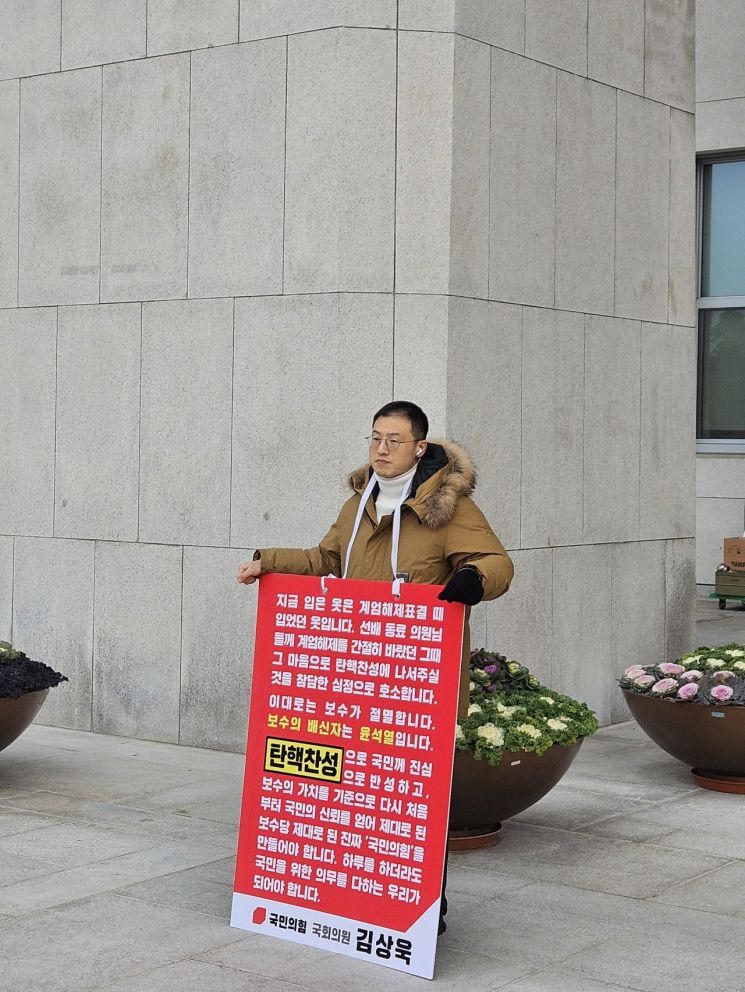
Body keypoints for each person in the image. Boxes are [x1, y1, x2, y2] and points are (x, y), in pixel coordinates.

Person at [237, 400, 513, 934]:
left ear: (420, 448)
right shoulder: (358, 503)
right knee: (361, 793)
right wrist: (267, 561)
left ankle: (425, 904)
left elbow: (496, 562)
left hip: (415, 677)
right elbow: (325, 560)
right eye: (375, 438)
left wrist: (474, 579)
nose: (382, 449)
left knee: (413, 792)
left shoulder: (450, 508)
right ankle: (357, 899)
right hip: (357, 674)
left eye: (394, 440)